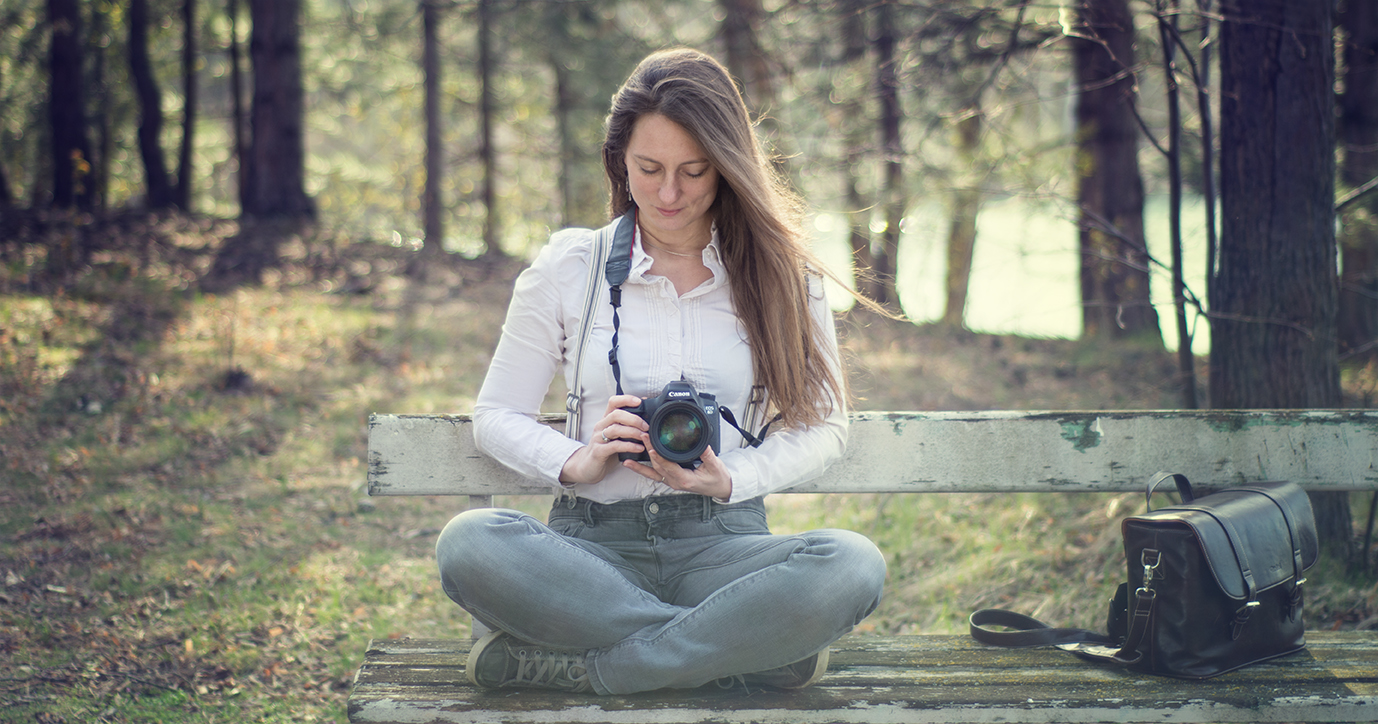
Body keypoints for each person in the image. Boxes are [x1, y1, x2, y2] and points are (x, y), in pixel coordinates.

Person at [435, 47, 887, 696]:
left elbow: (826, 426)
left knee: (852, 565)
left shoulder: (784, 275)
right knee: (470, 543)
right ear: (619, 160)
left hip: (722, 547)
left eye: (694, 171)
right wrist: (576, 463)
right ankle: (739, 650)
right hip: (589, 550)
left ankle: (596, 668)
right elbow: (495, 415)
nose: (668, 193)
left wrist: (733, 480)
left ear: (728, 169)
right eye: (649, 169)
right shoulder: (571, 267)